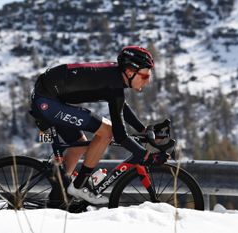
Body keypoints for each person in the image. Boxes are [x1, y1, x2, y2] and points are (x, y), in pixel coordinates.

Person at [30, 46, 169, 205]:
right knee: (107, 131)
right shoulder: (114, 83)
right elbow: (120, 135)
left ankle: (60, 196)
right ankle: (79, 186)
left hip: (49, 97)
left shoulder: (115, 77)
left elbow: (120, 105)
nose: (148, 80)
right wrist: (145, 155)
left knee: (79, 146)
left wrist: (142, 130)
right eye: (145, 76)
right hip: (47, 101)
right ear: (130, 72)